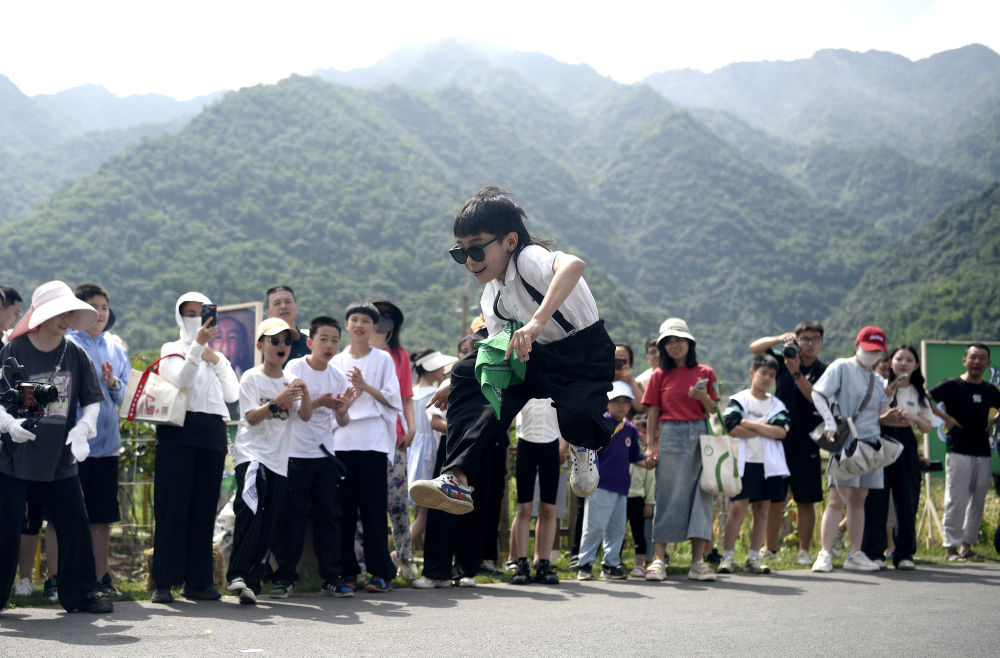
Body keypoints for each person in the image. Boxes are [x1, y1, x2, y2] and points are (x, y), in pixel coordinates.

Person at [411, 186, 615, 517]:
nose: (469, 262)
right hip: (534, 357)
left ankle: (584, 446)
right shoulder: (491, 296)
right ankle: (457, 478)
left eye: (476, 250)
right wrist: (459, 382)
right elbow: (494, 350)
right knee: (466, 371)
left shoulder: (528, 258)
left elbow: (574, 265)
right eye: (460, 253)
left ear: (509, 240)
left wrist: (536, 322)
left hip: (583, 354)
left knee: (578, 422)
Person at [0, 280, 112, 613]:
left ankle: (81, 592)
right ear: (42, 314)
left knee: (74, 523)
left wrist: (84, 426)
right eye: (60, 312)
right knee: (6, 526)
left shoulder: (75, 352)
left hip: (60, 459)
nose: (66, 319)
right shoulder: (14, 351)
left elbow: (93, 399)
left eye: (70, 313)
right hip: (15, 459)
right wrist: (10, 425)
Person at [150, 292, 239, 604]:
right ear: (179, 316)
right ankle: (164, 581)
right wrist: (198, 347)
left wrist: (215, 359)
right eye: (188, 313)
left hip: (212, 430)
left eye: (201, 313)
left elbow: (232, 393)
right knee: (172, 506)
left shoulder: (218, 355)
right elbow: (182, 382)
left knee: (204, 509)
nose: (195, 320)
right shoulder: (171, 349)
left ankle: (198, 581)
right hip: (178, 429)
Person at [226, 318, 313, 605]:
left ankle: (251, 582)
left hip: (279, 460)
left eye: (287, 341)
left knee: (270, 521)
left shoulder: (290, 381)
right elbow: (250, 417)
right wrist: (278, 400)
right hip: (253, 456)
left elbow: (305, 415)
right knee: (251, 512)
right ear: (260, 345)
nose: (282, 346)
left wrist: (305, 392)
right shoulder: (251, 377)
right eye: (275, 340)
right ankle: (236, 574)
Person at [270, 315, 355, 597]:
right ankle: (285, 577)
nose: (329, 345)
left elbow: (341, 422)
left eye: (334, 340)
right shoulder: (294, 368)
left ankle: (331, 576)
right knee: (291, 518)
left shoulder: (337, 376)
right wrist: (320, 401)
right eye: (323, 339)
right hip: (294, 453)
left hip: (324, 455)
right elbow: (296, 411)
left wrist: (342, 411)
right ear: (310, 342)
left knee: (329, 516)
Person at [640, 318, 721, 582]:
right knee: (668, 495)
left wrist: (702, 397)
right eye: (669, 342)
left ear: (689, 342)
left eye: (679, 340)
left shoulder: (705, 372)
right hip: (671, 433)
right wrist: (651, 445)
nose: (675, 345)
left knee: (702, 495)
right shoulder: (659, 375)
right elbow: (652, 411)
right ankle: (659, 560)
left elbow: (714, 410)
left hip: (701, 434)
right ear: (663, 347)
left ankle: (698, 562)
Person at [810, 326, 895, 573]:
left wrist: (888, 398)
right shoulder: (841, 367)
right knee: (838, 498)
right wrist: (828, 421)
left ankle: (855, 553)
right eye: (868, 349)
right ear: (857, 344)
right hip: (847, 441)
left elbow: (878, 414)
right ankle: (824, 553)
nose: (871, 354)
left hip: (871, 444)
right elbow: (818, 393)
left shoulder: (877, 379)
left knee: (860, 499)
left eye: (877, 351)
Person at [331, 302, 401, 593]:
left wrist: (365, 385)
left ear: (374, 328)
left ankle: (381, 572)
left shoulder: (383, 359)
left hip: (372, 442)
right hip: (342, 441)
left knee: (373, 510)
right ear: (346, 324)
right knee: (343, 511)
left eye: (366, 321)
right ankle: (346, 572)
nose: (359, 325)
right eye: (354, 319)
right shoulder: (335, 361)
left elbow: (392, 400)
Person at [66, 283, 131, 595]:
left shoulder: (116, 349)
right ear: (80, 311)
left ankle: (100, 579)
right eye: (95, 308)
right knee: (67, 517)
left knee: (101, 519)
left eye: (105, 307)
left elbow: (125, 397)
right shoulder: (66, 345)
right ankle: (62, 580)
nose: (102, 313)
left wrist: (112, 382)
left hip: (107, 448)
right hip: (72, 447)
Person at [749, 321, 827, 565]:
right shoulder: (782, 359)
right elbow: (755, 348)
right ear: (798, 340)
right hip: (778, 439)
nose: (810, 343)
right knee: (774, 497)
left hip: (808, 440)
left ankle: (804, 551)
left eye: (815, 339)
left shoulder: (825, 370)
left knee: (806, 499)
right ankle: (770, 548)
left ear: (821, 343)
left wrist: (796, 372)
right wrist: (778, 339)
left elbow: (816, 398)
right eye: (805, 339)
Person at [717, 354, 790, 575]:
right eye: (763, 373)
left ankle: (753, 557)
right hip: (743, 462)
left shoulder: (777, 404)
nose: (767, 378)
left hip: (768, 463)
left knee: (763, 508)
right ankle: (727, 557)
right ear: (752, 373)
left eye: (771, 374)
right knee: (738, 507)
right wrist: (764, 427)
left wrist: (748, 423)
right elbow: (731, 427)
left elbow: (781, 432)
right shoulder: (739, 399)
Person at [861, 344, 932, 570]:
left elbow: (927, 426)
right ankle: (874, 554)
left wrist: (912, 417)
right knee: (876, 499)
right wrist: (885, 416)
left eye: (909, 360)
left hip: (906, 443)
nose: (903, 363)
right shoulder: (879, 386)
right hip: (881, 440)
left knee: (906, 499)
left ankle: (904, 554)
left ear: (916, 365)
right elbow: (867, 416)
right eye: (899, 359)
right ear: (890, 362)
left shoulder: (919, 392)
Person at [928, 343, 1000, 561]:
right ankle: (951, 547)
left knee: (978, 500)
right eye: (973, 357)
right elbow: (925, 397)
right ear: (964, 360)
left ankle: (966, 547)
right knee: (956, 499)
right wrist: (945, 418)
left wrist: (993, 421)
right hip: (958, 450)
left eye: (981, 358)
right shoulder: (952, 385)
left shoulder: (989, 390)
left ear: (988, 363)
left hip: (983, 451)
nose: (977, 362)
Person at [577, 381, 649, 581]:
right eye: (616, 400)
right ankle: (584, 563)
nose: (621, 405)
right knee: (595, 526)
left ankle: (610, 564)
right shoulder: (600, 423)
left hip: (622, 486)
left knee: (617, 529)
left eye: (626, 402)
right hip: (600, 484)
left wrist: (649, 463)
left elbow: (636, 457)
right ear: (607, 403)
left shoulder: (631, 430)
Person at [371, 299, 418, 580]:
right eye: (377, 315)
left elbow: (406, 397)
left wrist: (411, 428)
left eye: (387, 317)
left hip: (395, 437)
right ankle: (364, 561)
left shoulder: (400, 355)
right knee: (365, 504)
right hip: (364, 438)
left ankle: (405, 558)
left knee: (398, 502)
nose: (381, 320)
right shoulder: (352, 355)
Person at [508, 398, 562, 586]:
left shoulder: (557, 377)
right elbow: (509, 408)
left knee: (549, 509)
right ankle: (521, 563)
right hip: (526, 443)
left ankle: (543, 563)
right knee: (524, 509)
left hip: (551, 444)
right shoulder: (525, 375)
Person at [408, 349, 456, 550]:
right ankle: (399, 553)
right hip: (431, 449)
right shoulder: (433, 394)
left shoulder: (411, 392)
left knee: (419, 510)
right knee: (425, 513)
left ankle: (404, 556)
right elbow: (434, 423)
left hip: (414, 449)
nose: (443, 371)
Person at [625, 413, 655, 577]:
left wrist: (649, 502)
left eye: (643, 433)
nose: (639, 436)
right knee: (618, 532)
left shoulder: (646, 457)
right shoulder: (624, 451)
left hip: (638, 498)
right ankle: (615, 561)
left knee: (639, 533)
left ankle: (639, 564)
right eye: (636, 432)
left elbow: (650, 481)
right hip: (622, 496)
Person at [265, 285, 310, 361]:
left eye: (288, 302)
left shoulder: (311, 346)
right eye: (277, 303)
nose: (283, 306)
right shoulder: (262, 347)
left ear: (296, 308)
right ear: (268, 313)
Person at [614, 342, 645, 413]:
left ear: (630, 362)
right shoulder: (601, 383)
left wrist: (630, 381)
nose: (618, 361)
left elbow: (641, 407)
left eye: (622, 358)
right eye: (614, 358)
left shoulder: (637, 385)